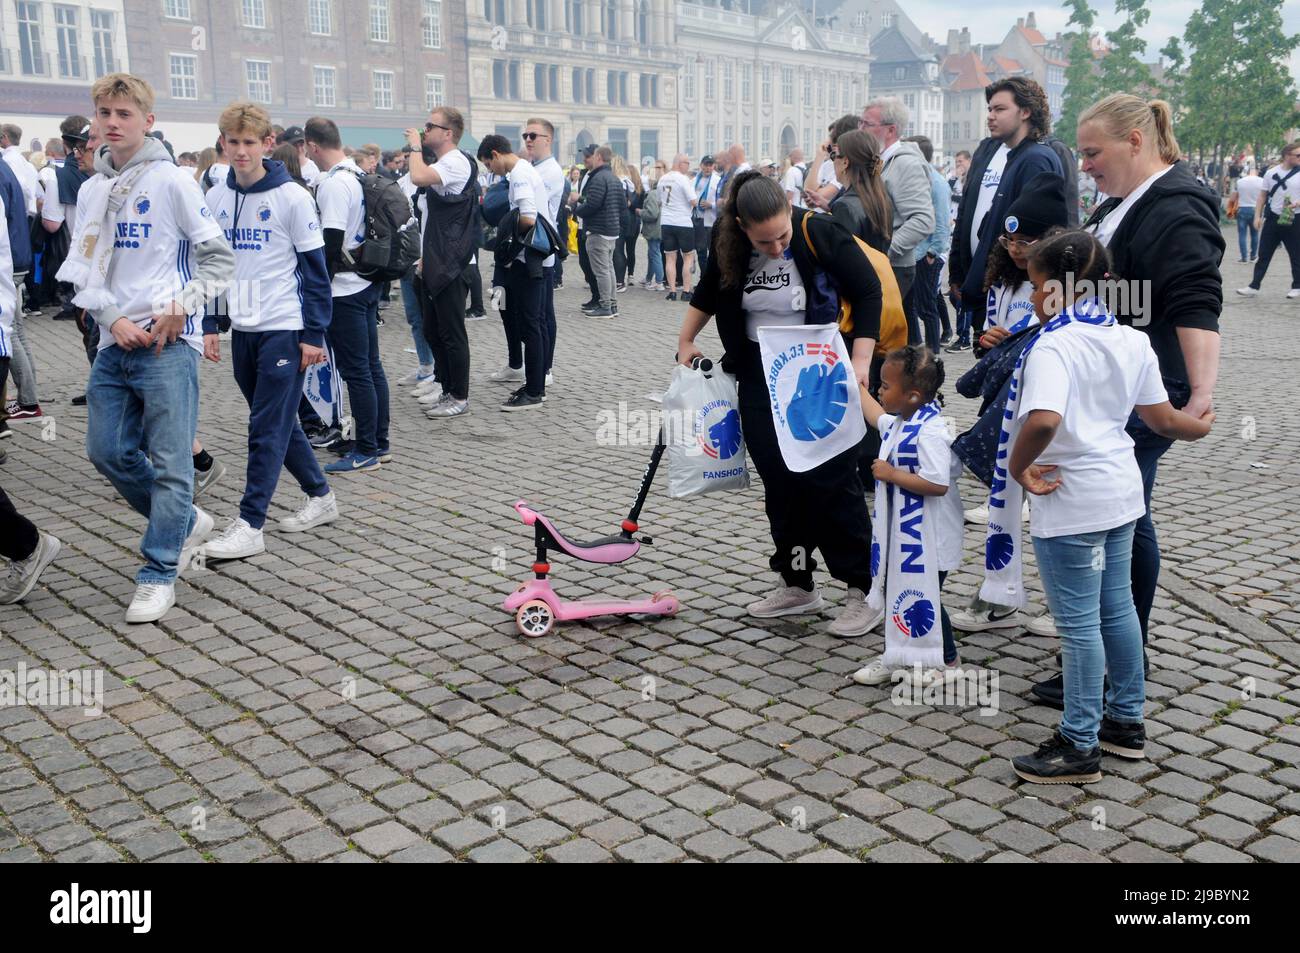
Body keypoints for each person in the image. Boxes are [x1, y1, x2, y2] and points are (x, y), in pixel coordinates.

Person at [1031, 94, 1224, 710]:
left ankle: (1109, 667)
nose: (1083, 165)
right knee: (1121, 522)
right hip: (1108, 387)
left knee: (1122, 525)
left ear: (1135, 142)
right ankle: (1107, 657)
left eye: (1092, 152)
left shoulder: (1177, 206)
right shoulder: (1124, 202)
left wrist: (1200, 393)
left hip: (1137, 395)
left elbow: (1196, 299)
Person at [1007, 229, 1213, 783]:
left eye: (1034, 285)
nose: (1030, 297)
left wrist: (1016, 467)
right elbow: (1163, 420)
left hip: (1072, 496)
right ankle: (1125, 722)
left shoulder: (1053, 345)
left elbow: (1044, 420)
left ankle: (1079, 744)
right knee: (1117, 609)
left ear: (1056, 287)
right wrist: (1200, 425)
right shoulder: (1131, 339)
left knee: (1078, 626)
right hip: (1121, 492)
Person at [676, 172, 884, 636]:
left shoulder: (818, 232)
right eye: (764, 241)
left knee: (830, 478)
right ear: (741, 226)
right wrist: (686, 339)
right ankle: (798, 581)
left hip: (816, 374)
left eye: (781, 236)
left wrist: (861, 359)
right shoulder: (729, 243)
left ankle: (863, 588)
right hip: (757, 375)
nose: (775, 248)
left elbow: (869, 289)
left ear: (789, 209)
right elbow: (708, 291)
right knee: (779, 480)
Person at [60, 73, 235, 623]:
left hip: (168, 345)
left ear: (148, 121)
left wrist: (182, 306)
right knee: (106, 451)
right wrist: (110, 319)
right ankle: (183, 523)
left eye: (124, 113)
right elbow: (83, 271)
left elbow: (219, 260)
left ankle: (159, 570)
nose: (112, 122)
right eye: (104, 113)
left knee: (171, 464)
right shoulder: (91, 189)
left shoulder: (174, 182)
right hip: (115, 343)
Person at [199, 102, 339, 561]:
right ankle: (321, 496)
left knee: (263, 427)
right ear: (223, 142)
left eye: (249, 142)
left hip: (284, 326)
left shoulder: (293, 197)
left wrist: (313, 335)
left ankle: (250, 523)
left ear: (266, 143)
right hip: (244, 328)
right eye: (232, 142)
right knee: (279, 422)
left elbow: (316, 272)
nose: (240, 151)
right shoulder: (218, 194)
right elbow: (216, 264)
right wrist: (212, 322)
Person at [851, 345, 963, 685]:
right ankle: (897, 654)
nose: (880, 391)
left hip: (931, 537)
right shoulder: (902, 421)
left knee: (926, 595)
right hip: (901, 534)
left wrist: (892, 474)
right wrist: (852, 382)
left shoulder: (931, 431)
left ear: (913, 395)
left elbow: (937, 483)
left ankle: (947, 661)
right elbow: (874, 415)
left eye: (886, 386)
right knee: (894, 587)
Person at [948, 78, 1064, 352]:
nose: (990, 116)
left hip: (1016, 290)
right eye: (989, 109)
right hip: (990, 284)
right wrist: (961, 271)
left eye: (999, 109)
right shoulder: (993, 150)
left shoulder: (1036, 158)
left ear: (1025, 112)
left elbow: (1038, 234)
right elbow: (970, 213)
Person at [305, 116, 389, 472]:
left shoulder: (334, 184)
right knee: (370, 366)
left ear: (312, 146)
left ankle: (368, 448)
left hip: (345, 290)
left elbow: (331, 242)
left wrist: (315, 285)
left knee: (358, 370)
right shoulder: (356, 173)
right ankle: (376, 440)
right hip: (365, 281)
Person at [404, 107, 477, 420]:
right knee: (433, 330)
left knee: (451, 332)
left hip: (452, 262)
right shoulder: (443, 163)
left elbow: (417, 176)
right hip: (434, 259)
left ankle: (459, 395)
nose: (424, 130)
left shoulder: (457, 161)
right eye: (424, 126)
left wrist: (415, 147)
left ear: (448, 133)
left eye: (430, 126)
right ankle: (446, 388)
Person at [477, 134, 551, 410]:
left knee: (530, 324)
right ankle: (535, 384)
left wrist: (507, 241)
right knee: (535, 324)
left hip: (526, 259)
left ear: (496, 155)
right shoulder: (524, 170)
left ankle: (534, 391)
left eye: (488, 164)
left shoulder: (519, 175)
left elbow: (528, 216)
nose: (489, 171)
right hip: (535, 258)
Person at [860, 98, 935, 333]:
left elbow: (923, 220)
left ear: (891, 130)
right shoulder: (880, 161)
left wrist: (884, 251)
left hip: (893, 266)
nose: (860, 129)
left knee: (880, 338)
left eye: (867, 124)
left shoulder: (906, 165)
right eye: (859, 122)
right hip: (879, 263)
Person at [524, 118, 564, 386]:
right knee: (536, 313)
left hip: (542, 250)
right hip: (531, 247)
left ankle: (546, 367)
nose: (528, 140)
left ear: (547, 140)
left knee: (543, 314)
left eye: (533, 136)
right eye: (525, 135)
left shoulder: (549, 171)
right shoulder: (532, 167)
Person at [902, 135, 952, 351]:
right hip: (912, 253)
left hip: (926, 254)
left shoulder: (937, 183)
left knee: (927, 307)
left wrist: (933, 253)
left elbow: (942, 222)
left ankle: (932, 356)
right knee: (908, 305)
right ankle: (915, 348)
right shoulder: (915, 178)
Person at [1237, 141, 1300, 299]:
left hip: (1295, 217)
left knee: (1296, 253)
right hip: (1273, 217)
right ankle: (1254, 285)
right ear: (1287, 156)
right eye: (1298, 155)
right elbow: (1262, 196)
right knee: (1263, 253)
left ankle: (1297, 286)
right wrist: (1257, 216)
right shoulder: (1271, 173)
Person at [571, 145, 622, 317]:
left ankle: (606, 306)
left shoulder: (598, 178)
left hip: (598, 229)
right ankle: (612, 305)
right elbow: (621, 205)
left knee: (601, 271)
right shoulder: (614, 178)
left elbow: (592, 204)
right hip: (611, 229)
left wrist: (574, 209)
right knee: (608, 269)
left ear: (598, 157)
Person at [822, 130, 891, 253]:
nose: (832, 161)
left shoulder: (844, 206)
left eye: (834, 155)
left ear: (845, 162)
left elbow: (842, 256)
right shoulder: (882, 197)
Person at [656, 153, 698, 303]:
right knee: (688, 257)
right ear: (680, 163)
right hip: (683, 222)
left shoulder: (662, 179)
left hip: (666, 222)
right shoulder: (683, 179)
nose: (688, 166)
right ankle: (686, 291)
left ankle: (672, 291)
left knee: (670, 257)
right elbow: (693, 201)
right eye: (687, 163)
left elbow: (659, 201)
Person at [691, 155, 720, 275]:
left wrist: (711, 205)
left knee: (713, 251)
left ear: (713, 166)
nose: (708, 168)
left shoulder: (718, 180)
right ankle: (703, 278)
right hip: (697, 219)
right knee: (700, 251)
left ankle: (713, 278)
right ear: (701, 166)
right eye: (706, 165)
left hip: (711, 220)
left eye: (710, 165)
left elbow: (723, 201)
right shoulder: (693, 180)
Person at [1231, 166, 1264, 263]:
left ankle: (1244, 257)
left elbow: (1233, 198)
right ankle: (1253, 256)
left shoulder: (1240, 182)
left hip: (1242, 209)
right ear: (1257, 171)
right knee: (1255, 234)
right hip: (1256, 209)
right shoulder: (1262, 181)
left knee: (1242, 234)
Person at [638, 173, 664, 291]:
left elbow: (652, 214)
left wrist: (640, 212)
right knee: (652, 254)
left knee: (655, 254)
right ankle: (648, 279)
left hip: (654, 229)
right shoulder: (661, 193)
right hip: (659, 228)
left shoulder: (653, 194)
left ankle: (659, 282)